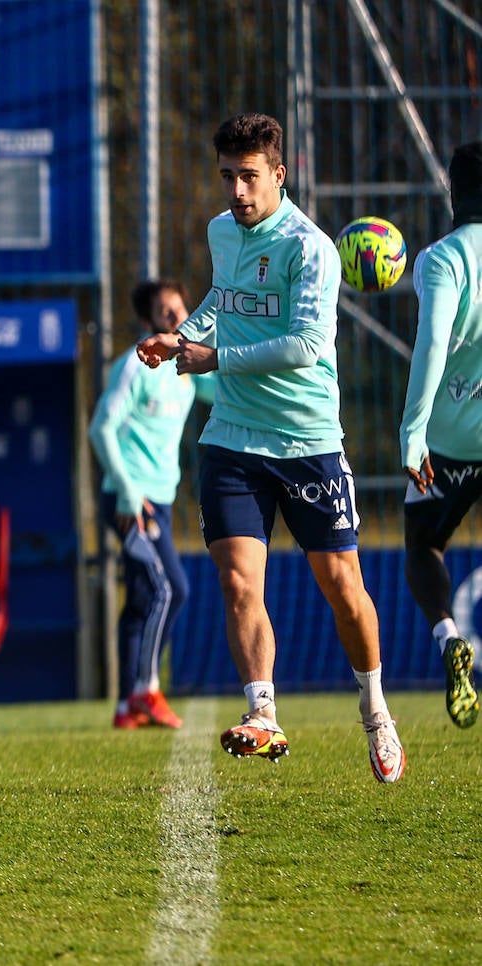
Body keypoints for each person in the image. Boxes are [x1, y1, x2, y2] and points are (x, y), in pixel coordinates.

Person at [137, 112, 405, 783]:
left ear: (278, 174)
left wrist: (213, 355)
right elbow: (223, 300)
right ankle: (263, 714)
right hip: (231, 438)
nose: (236, 191)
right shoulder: (222, 232)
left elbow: (307, 346)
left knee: (343, 589)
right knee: (236, 581)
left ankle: (376, 711)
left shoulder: (310, 249)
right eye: (227, 176)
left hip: (307, 440)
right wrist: (183, 334)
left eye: (248, 176)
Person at [89, 279, 213, 730]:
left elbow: (222, 392)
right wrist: (125, 490)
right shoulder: (133, 368)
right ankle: (146, 690)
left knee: (143, 597)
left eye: (180, 308)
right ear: (148, 323)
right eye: (165, 312)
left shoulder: (184, 370)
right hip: (129, 500)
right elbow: (101, 429)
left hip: (157, 501)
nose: (176, 317)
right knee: (170, 590)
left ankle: (126, 706)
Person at [399, 141, 482, 730]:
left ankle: (449, 635)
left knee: (424, 548)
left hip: (447, 443)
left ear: (453, 192)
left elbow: (432, 345)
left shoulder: (441, 259)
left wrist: (413, 432)